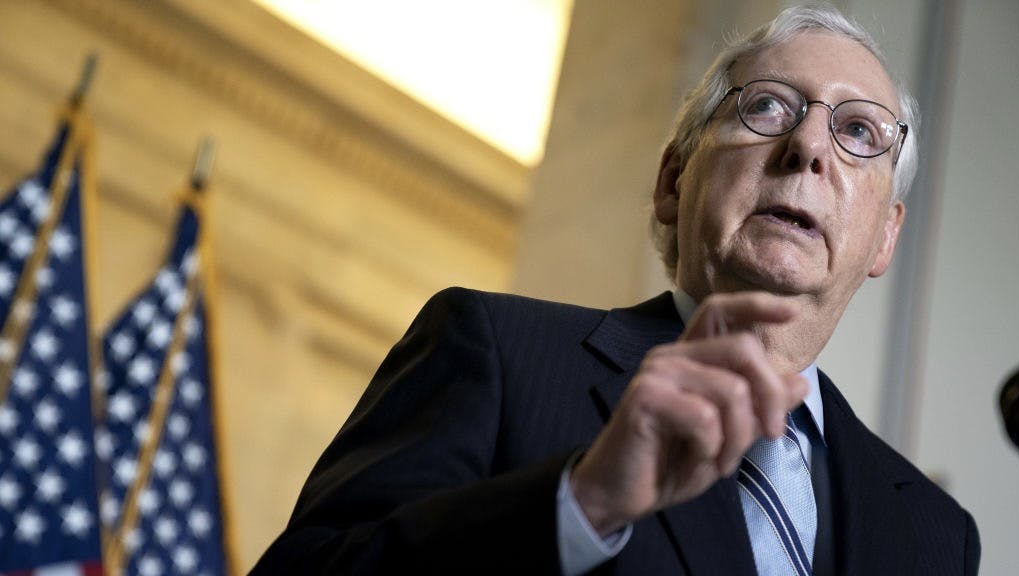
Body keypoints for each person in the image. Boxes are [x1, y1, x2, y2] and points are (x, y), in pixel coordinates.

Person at [252, 5, 980, 575]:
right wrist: (583, 503)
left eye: (860, 132)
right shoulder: (495, 350)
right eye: (767, 106)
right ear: (673, 180)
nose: (810, 147)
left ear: (885, 237)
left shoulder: (936, 532)